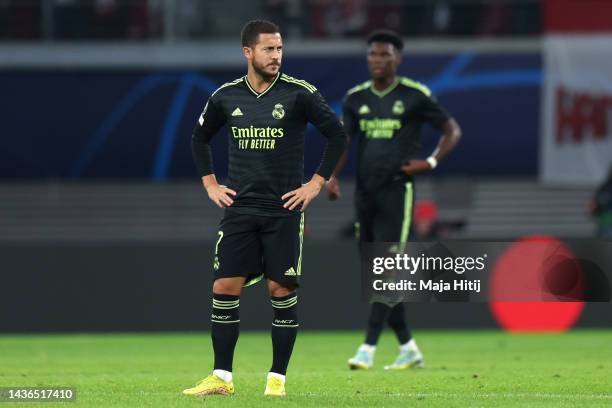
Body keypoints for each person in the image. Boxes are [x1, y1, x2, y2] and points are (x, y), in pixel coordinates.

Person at [183, 20, 347, 397]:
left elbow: (337, 135)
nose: (276, 56)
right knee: (224, 285)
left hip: (283, 209)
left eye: (279, 49)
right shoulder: (225, 97)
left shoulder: (299, 94)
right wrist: (210, 184)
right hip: (240, 208)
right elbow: (199, 138)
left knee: (280, 287)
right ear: (248, 52)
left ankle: (277, 381)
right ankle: (221, 378)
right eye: (269, 49)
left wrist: (315, 183)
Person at [328, 29, 461, 370]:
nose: (377, 60)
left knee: (387, 270)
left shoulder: (415, 95)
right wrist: (330, 176)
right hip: (364, 193)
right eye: (372, 54)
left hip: (397, 191)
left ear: (397, 59)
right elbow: (344, 141)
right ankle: (409, 348)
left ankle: (367, 348)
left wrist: (430, 161)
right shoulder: (356, 98)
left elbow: (452, 130)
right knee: (376, 275)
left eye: (384, 54)